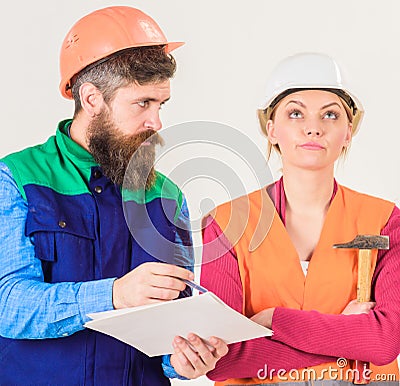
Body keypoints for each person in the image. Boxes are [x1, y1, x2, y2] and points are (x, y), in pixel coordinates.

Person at [0, 6, 227, 385]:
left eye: (160, 104)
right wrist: (115, 294)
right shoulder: (17, 179)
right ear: (91, 99)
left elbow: (178, 325)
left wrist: (187, 359)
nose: (156, 122)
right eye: (142, 103)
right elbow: (7, 305)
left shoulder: (167, 196)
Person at [200, 52, 400, 385]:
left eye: (331, 115)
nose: (313, 128)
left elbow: (384, 342)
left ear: (348, 132)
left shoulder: (384, 220)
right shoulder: (227, 222)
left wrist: (274, 321)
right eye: (295, 113)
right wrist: (346, 339)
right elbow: (223, 359)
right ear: (272, 129)